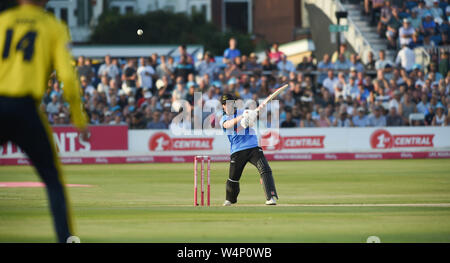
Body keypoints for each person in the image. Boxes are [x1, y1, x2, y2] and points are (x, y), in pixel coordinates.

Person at [0, 0, 89, 243]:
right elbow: (68, 79)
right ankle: (65, 238)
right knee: (52, 180)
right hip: (26, 108)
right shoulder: (52, 26)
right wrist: (79, 118)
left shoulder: (3, 21)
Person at [220, 94, 278, 206]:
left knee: (265, 169)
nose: (229, 105)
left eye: (231, 103)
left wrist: (250, 117)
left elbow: (251, 122)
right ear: (223, 106)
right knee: (233, 178)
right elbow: (227, 125)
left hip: (253, 147)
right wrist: (242, 118)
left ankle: (270, 197)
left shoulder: (242, 111)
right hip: (237, 150)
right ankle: (229, 199)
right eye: (226, 104)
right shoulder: (224, 118)